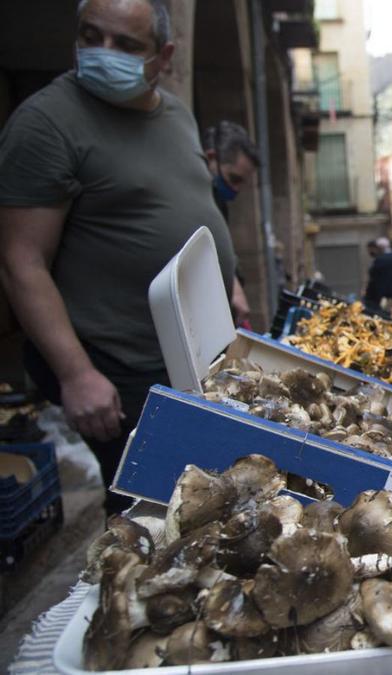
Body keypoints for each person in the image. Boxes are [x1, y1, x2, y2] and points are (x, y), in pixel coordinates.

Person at [0, 0, 237, 515]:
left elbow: (191, 202)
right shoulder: (46, 124)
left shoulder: (174, 112)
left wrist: (228, 283)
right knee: (154, 511)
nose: (103, 53)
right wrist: (76, 373)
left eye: (127, 45)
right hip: (119, 367)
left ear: (164, 55)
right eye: (91, 36)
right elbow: (22, 262)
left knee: (211, 500)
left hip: (189, 359)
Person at [202, 120, 260, 327]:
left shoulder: (218, 200)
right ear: (211, 158)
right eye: (234, 178)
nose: (236, 189)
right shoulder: (198, 199)